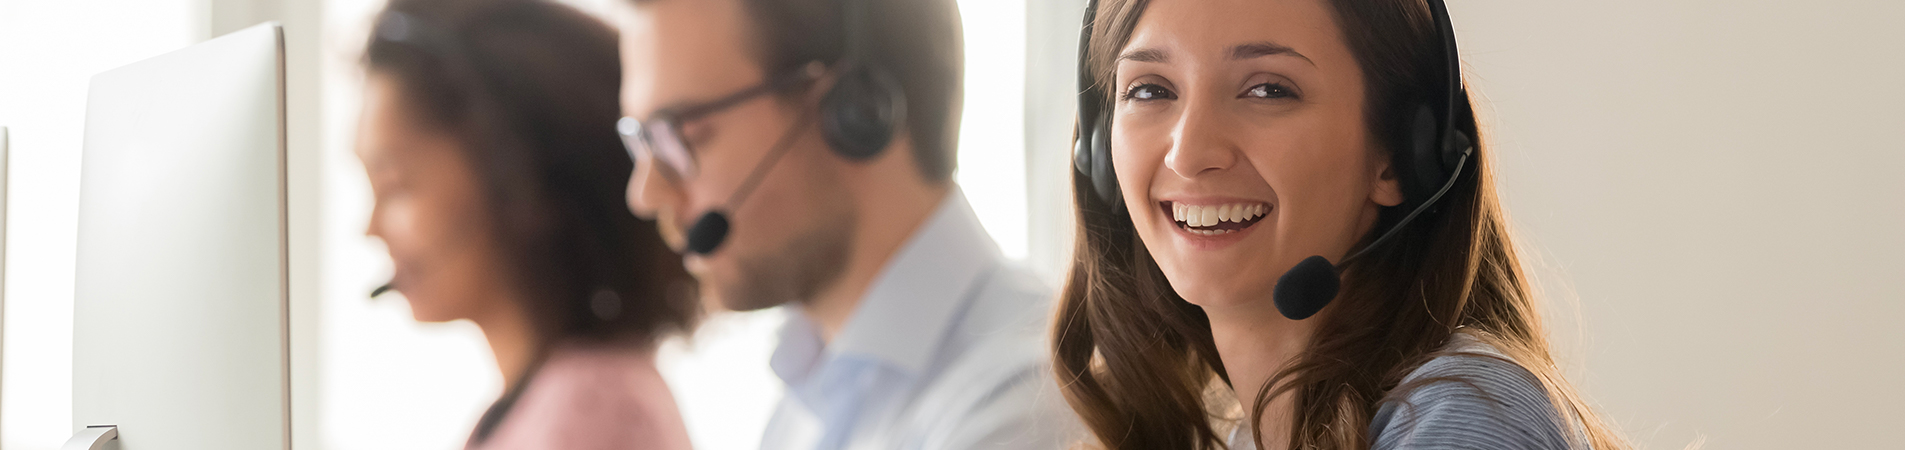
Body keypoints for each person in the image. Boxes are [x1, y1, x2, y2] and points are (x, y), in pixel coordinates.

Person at [1050, 0, 1630, 449]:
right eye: (1150, 90)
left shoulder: (1461, 418)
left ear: (1399, 155)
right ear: (1100, 151)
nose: (1189, 152)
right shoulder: (1246, 434)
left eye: (1268, 90)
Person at [611, 0, 1079, 448]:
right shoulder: (804, 401)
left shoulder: (1026, 403)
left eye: (680, 133)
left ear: (854, 110)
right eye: (643, 141)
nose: (645, 194)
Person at [356, 0, 698, 448]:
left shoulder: (589, 411)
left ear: (514, 175)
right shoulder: (540, 405)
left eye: (397, 185)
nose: (371, 228)